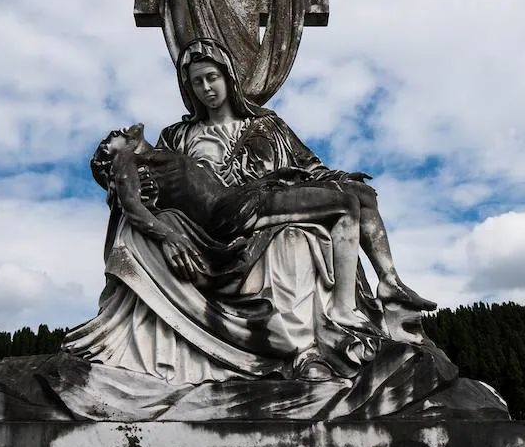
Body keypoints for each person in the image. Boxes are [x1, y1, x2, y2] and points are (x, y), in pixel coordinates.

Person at [64, 38, 431, 383]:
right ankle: (309, 344)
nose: (206, 88)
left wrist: (335, 177)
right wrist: (166, 229)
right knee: (303, 233)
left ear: (228, 77)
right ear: (188, 88)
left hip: (265, 203)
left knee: (352, 197)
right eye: (197, 83)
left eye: (212, 78)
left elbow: (310, 167)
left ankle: (385, 290)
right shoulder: (175, 138)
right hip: (216, 226)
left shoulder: (267, 126)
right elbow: (147, 195)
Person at [90, 122, 435, 325]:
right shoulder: (126, 162)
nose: (115, 132)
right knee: (346, 203)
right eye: (108, 139)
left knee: (360, 194)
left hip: (242, 197)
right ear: (110, 156)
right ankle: (345, 309)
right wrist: (167, 237)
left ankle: (389, 281)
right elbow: (133, 208)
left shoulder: (158, 151)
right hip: (230, 214)